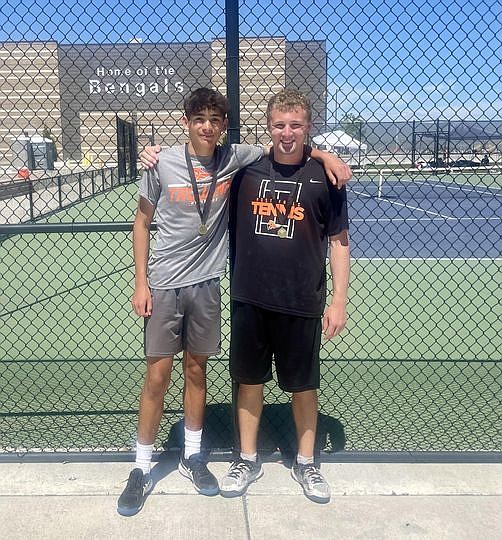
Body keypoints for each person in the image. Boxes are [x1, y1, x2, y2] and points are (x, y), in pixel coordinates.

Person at [117, 87, 351, 516]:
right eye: (199, 118)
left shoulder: (234, 159)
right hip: (173, 285)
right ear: (186, 121)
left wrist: (323, 155)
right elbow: (142, 221)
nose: (207, 126)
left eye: (215, 119)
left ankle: (196, 455)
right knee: (158, 376)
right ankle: (141, 466)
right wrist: (141, 282)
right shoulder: (169, 163)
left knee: (198, 371)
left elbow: (288, 145)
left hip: (211, 285)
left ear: (224, 125)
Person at [219, 89, 350, 504]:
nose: (287, 133)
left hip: (301, 301)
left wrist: (339, 300)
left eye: (295, 125)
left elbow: (340, 241)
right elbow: (200, 153)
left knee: (303, 387)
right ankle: (246, 457)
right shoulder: (246, 170)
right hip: (251, 298)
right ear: (269, 127)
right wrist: (154, 152)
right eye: (279, 125)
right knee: (249, 382)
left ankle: (307, 462)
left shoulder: (325, 179)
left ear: (308, 128)